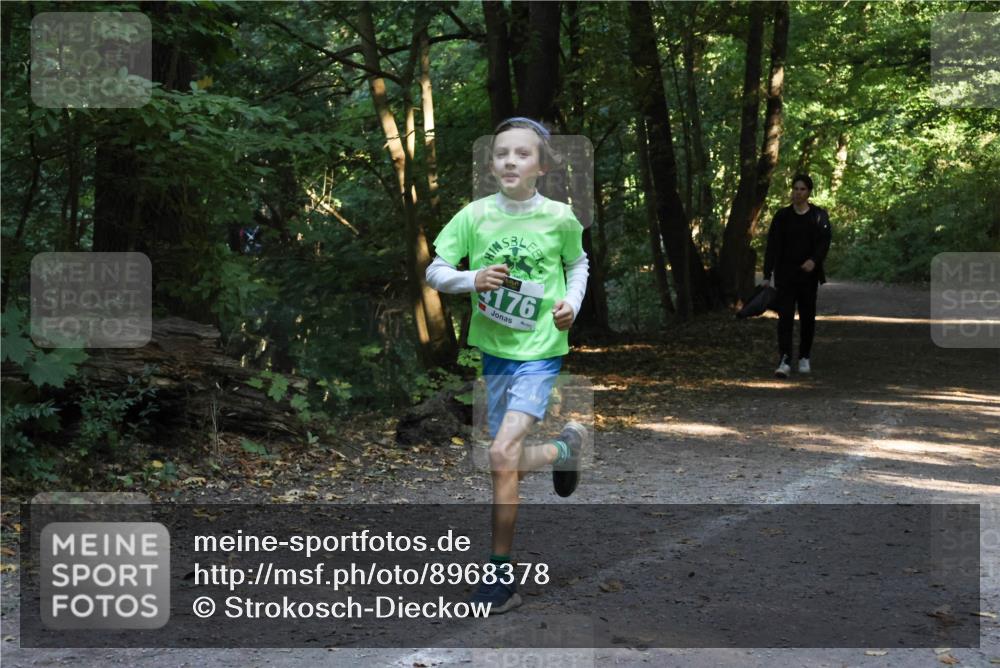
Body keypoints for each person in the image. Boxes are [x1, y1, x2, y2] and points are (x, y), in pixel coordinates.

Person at [425, 117, 589, 614]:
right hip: (494, 353)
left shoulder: (561, 217)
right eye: (501, 153)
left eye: (522, 154)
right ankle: (564, 449)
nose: (510, 161)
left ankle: (499, 576)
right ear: (491, 163)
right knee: (503, 460)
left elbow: (578, 263)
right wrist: (472, 279)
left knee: (499, 453)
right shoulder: (473, 217)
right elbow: (435, 271)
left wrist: (573, 305)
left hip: (540, 351)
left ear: (541, 165)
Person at [762, 174, 832, 378]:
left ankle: (804, 356)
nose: (798, 192)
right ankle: (784, 359)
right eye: (795, 189)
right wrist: (767, 274)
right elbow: (772, 247)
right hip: (785, 275)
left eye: (802, 189)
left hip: (808, 277)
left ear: (809, 192)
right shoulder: (782, 217)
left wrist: (814, 260)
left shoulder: (818, 216)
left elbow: (824, 241)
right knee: (784, 318)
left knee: (807, 317)